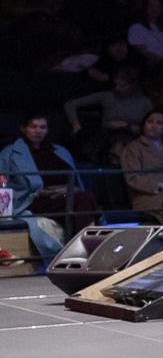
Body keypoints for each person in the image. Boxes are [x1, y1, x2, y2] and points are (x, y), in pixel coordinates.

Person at [1, 113, 93, 263]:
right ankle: (86, 252)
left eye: (42, 127)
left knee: (85, 198)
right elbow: (3, 182)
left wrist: (68, 189)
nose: (38, 131)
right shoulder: (10, 152)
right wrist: (39, 192)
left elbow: (75, 179)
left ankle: (86, 251)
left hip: (63, 196)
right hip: (33, 199)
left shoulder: (59, 151)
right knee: (84, 200)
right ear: (24, 128)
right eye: (33, 127)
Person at [117, 108, 163, 233]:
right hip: (148, 195)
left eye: (159, 123)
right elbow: (133, 178)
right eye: (150, 121)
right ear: (144, 125)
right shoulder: (133, 148)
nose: (154, 126)